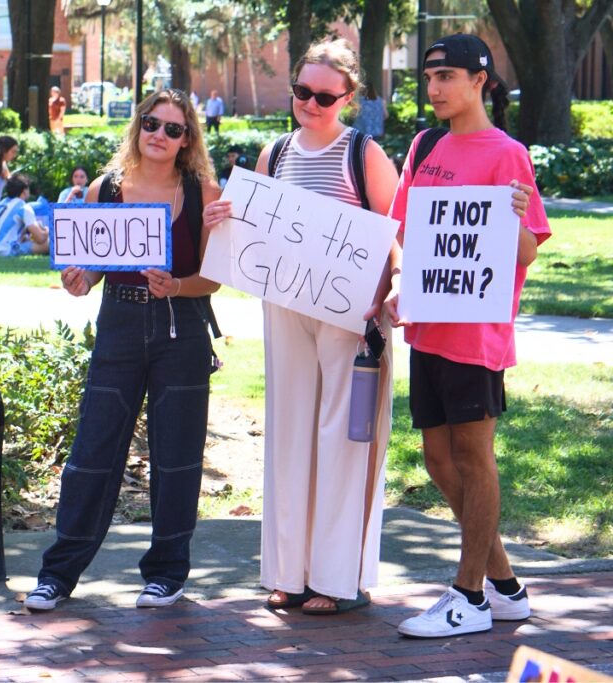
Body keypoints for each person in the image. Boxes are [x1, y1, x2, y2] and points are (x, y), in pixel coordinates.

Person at [205, 39, 400, 616]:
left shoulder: (363, 153)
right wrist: (223, 217)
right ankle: (289, 572)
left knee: (343, 441)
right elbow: (253, 234)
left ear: (347, 98)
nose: (310, 103)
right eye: (301, 92)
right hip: (286, 309)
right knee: (289, 434)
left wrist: (391, 288)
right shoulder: (276, 152)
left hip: (352, 317)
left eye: (322, 95)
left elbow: (396, 234)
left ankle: (340, 580)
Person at [24, 88, 222, 612]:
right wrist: (79, 279)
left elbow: (214, 279)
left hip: (180, 328)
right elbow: (92, 268)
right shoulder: (104, 190)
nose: (160, 135)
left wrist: (177, 286)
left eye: (173, 129)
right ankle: (58, 574)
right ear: (138, 127)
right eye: (152, 124)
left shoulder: (203, 192)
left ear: (187, 139)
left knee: (176, 456)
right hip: (118, 321)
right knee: (93, 450)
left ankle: (166, 573)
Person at [383, 33, 549, 639]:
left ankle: (469, 595)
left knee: (474, 458)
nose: (434, 90)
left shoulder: (508, 154)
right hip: (426, 327)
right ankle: (505, 586)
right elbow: (402, 232)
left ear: (480, 80)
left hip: (476, 335)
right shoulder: (424, 145)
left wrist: (511, 214)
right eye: (429, 78)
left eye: (447, 77)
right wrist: (401, 278)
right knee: (435, 459)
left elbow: (528, 248)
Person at [0, 175, 49, 256]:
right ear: (24, 191)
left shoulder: (2, 203)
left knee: (26, 239)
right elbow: (40, 238)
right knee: (50, 243)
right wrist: (46, 230)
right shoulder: (23, 207)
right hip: (4, 250)